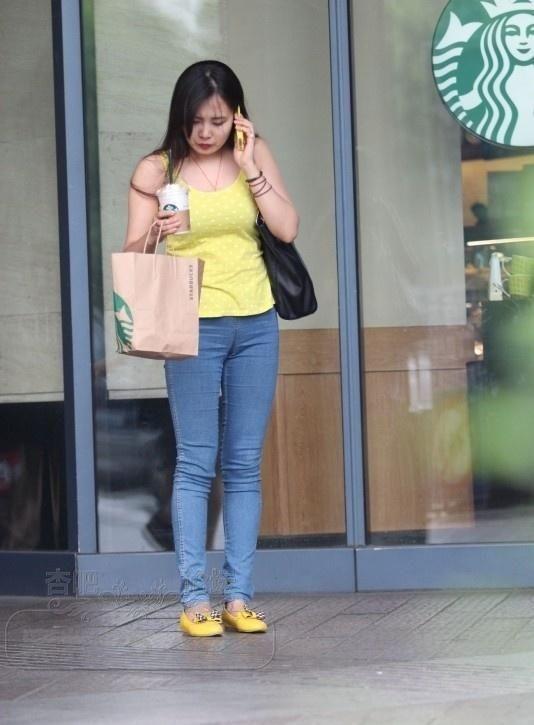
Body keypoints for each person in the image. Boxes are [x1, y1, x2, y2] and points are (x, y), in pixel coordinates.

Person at [123, 60, 299, 637]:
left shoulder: (254, 154)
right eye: (196, 120)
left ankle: (239, 597)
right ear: (181, 116)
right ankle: (194, 599)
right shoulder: (158, 168)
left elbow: (286, 228)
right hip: (190, 325)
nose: (205, 132)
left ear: (237, 118)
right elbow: (132, 256)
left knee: (244, 463)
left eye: (218, 121)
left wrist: (250, 168)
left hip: (257, 323)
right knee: (197, 462)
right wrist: (157, 232)